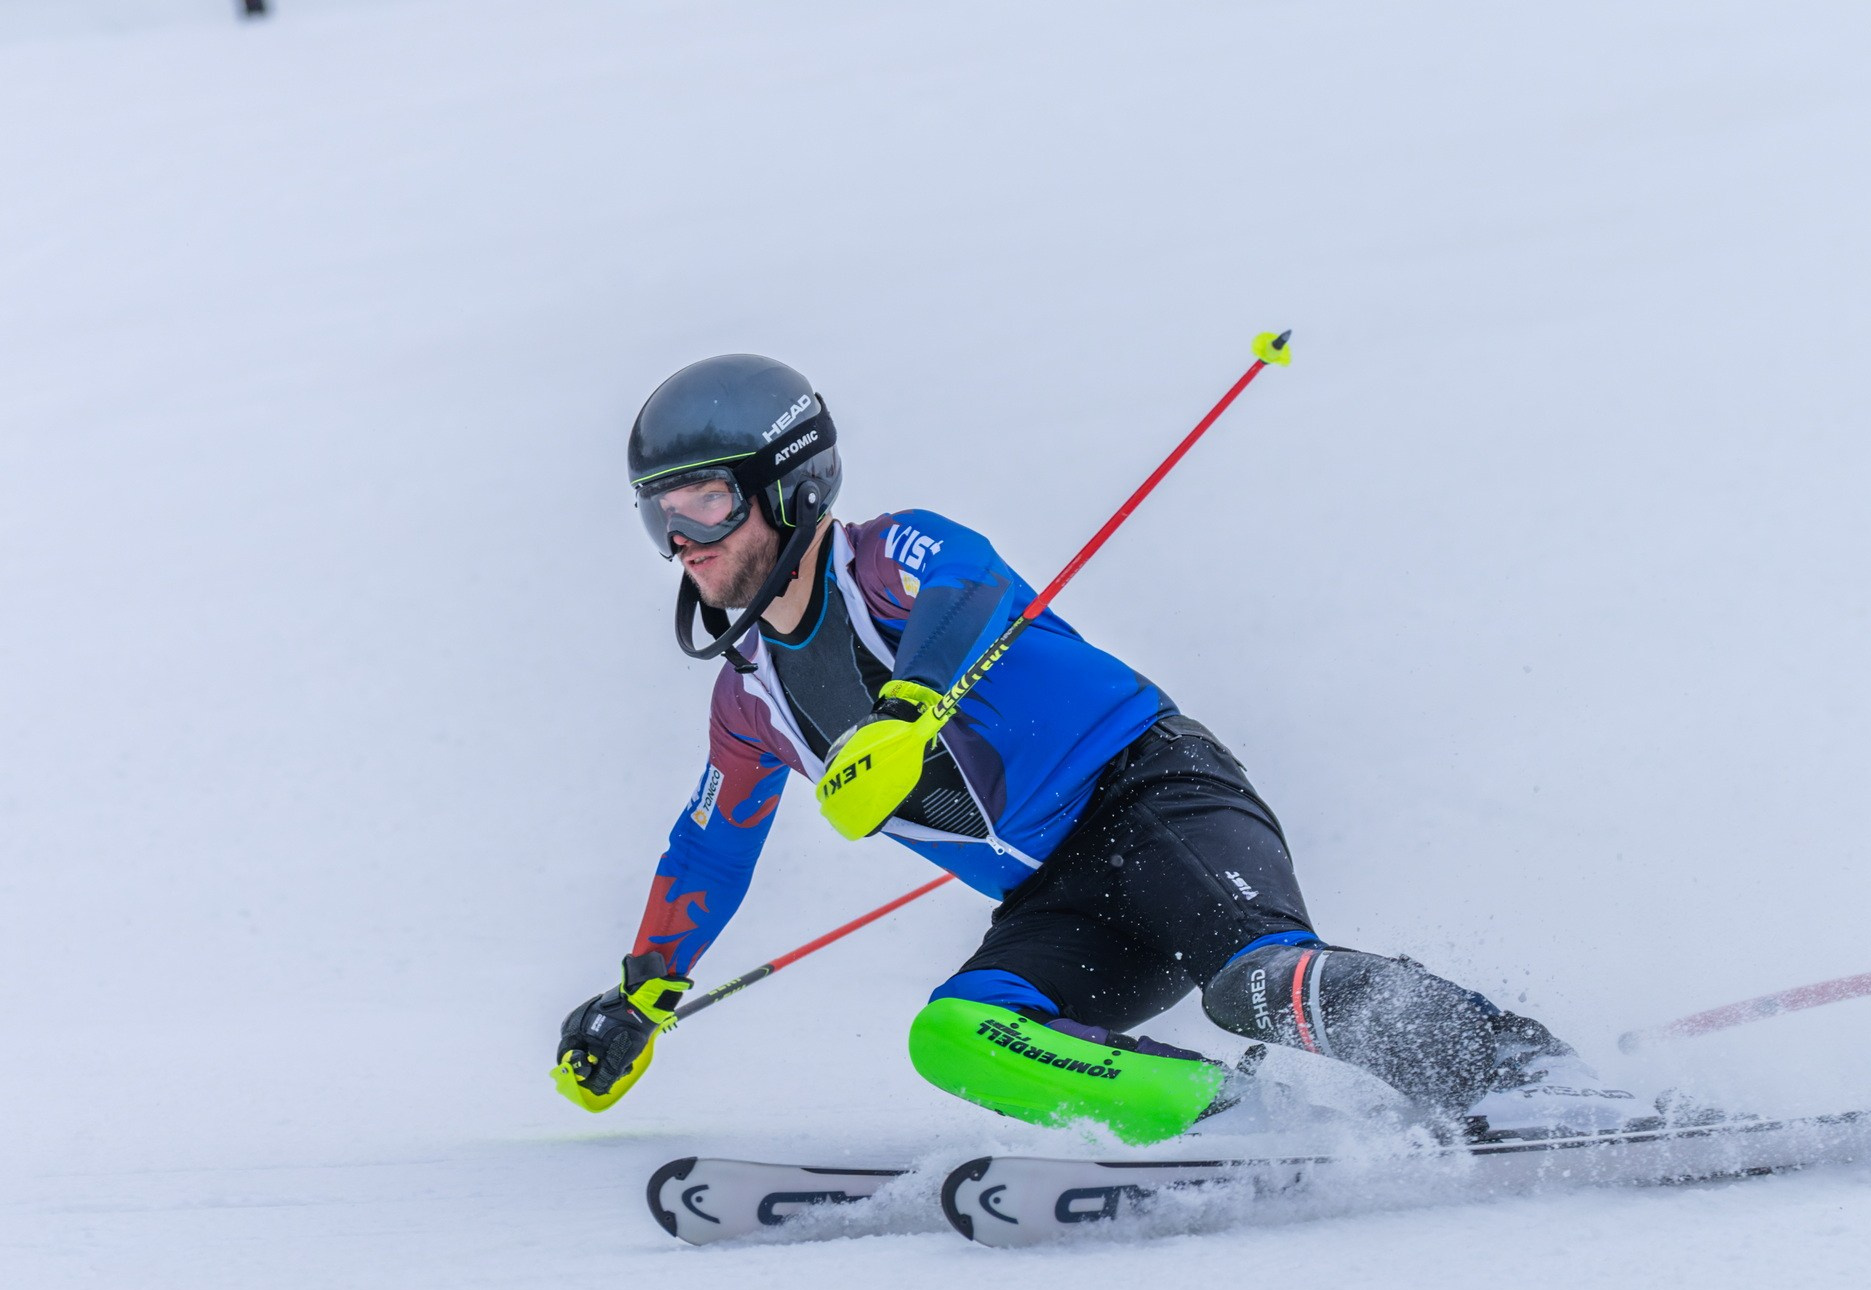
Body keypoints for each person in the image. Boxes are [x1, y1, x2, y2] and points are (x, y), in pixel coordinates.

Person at [554, 353, 1641, 1144]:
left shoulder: (889, 556)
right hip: (1066, 900)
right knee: (957, 1036)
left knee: (1257, 983)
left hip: (1152, 798)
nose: (684, 545)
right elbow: (708, 849)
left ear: (791, 487)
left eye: (705, 502)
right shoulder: (750, 702)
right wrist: (641, 991)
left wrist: (908, 711)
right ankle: (1237, 1124)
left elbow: (969, 583)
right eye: (662, 517)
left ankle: (1525, 1072)